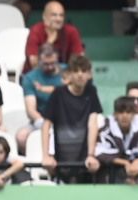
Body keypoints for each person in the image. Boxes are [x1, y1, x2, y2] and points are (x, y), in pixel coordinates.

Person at [41, 54, 103, 183]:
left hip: (84, 158)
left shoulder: (91, 92)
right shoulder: (58, 93)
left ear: (89, 75)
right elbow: (46, 125)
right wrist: (46, 156)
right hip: (62, 157)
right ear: (69, 74)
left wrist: (91, 155)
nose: (80, 75)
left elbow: (93, 123)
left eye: (84, 71)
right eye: (76, 71)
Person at [95, 96, 138, 185]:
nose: (124, 116)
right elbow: (100, 153)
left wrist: (137, 162)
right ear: (115, 115)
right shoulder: (107, 128)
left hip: (137, 172)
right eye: (121, 112)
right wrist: (125, 163)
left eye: (128, 112)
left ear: (134, 114)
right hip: (112, 175)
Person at [19, 42, 66, 150]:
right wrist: (45, 125)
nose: (50, 67)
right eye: (46, 64)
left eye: (52, 63)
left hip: (65, 118)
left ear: (57, 58)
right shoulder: (30, 78)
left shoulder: (67, 72)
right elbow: (31, 111)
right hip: (41, 119)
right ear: (39, 61)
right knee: (21, 137)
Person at [23, 1, 86, 72]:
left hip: (64, 74)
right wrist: (49, 43)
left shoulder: (71, 31)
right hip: (38, 75)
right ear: (44, 17)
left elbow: (80, 59)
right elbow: (34, 64)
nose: (58, 19)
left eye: (61, 15)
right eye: (54, 15)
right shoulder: (36, 31)